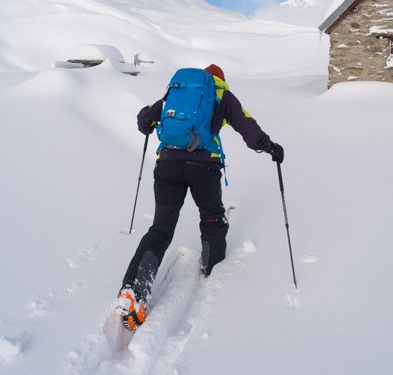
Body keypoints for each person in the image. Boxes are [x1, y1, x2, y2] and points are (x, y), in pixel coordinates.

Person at [116, 64, 284, 330]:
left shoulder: (176, 92)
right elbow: (249, 129)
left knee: (160, 229)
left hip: (168, 163)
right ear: (220, 80)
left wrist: (147, 121)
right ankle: (211, 268)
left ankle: (131, 291)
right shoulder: (223, 96)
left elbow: (143, 121)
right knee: (212, 217)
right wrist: (271, 148)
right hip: (204, 167)